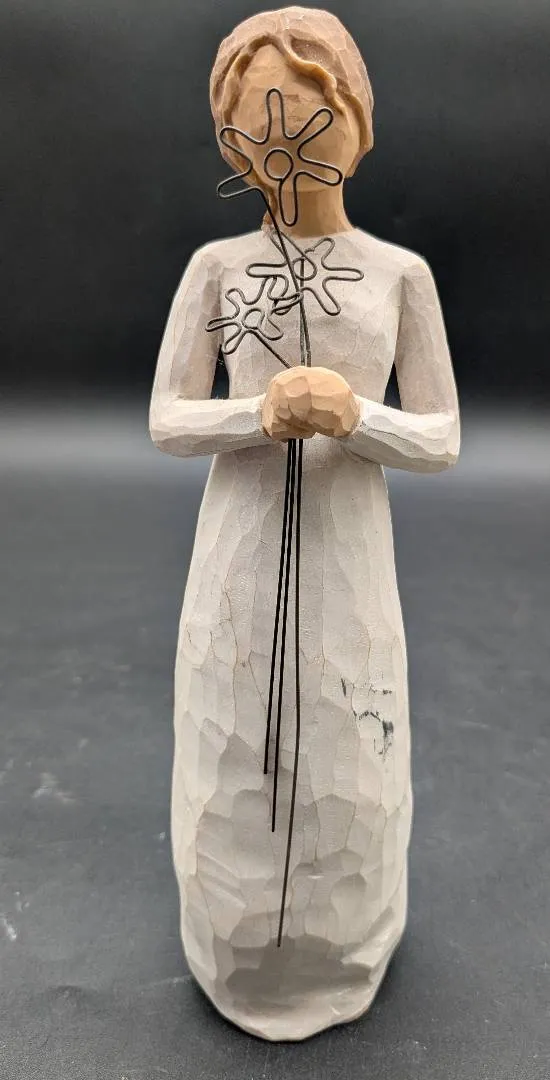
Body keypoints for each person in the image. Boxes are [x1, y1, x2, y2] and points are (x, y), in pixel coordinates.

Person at [149, 7, 459, 1041]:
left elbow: (443, 437)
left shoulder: (399, 276)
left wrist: (357, 416)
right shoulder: (218, 267)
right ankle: (231, 943)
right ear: (229, 144)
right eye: (252, 129)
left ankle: (346, 943)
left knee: (346, 749)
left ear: (357, 122)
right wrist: (257, 413)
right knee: (237, 757)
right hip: (236, 562)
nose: (279, 145)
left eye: (306, 119)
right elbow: (167, 419)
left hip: (347, 562)